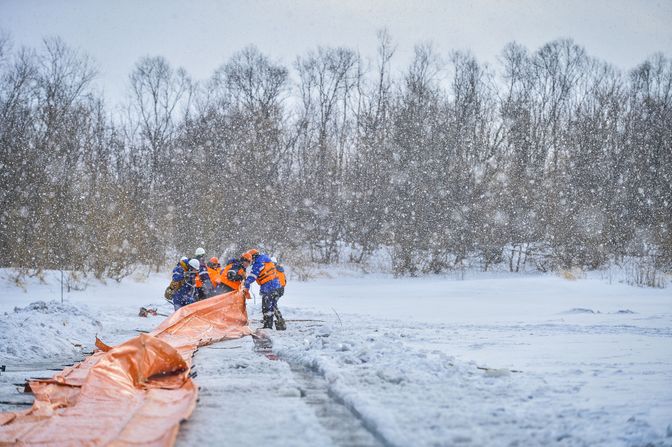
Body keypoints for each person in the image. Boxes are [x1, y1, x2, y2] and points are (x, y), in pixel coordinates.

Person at [241, 249, 286, 330]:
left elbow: (253, 276)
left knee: (266, 307)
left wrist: (246, 283)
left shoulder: (258, 263)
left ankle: (268, 326)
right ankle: (280, 323)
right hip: (277, 287)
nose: (250, 260)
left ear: (253, 256)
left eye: (251, 258)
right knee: (272, 306)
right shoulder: (266, 260)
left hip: (270, 287)